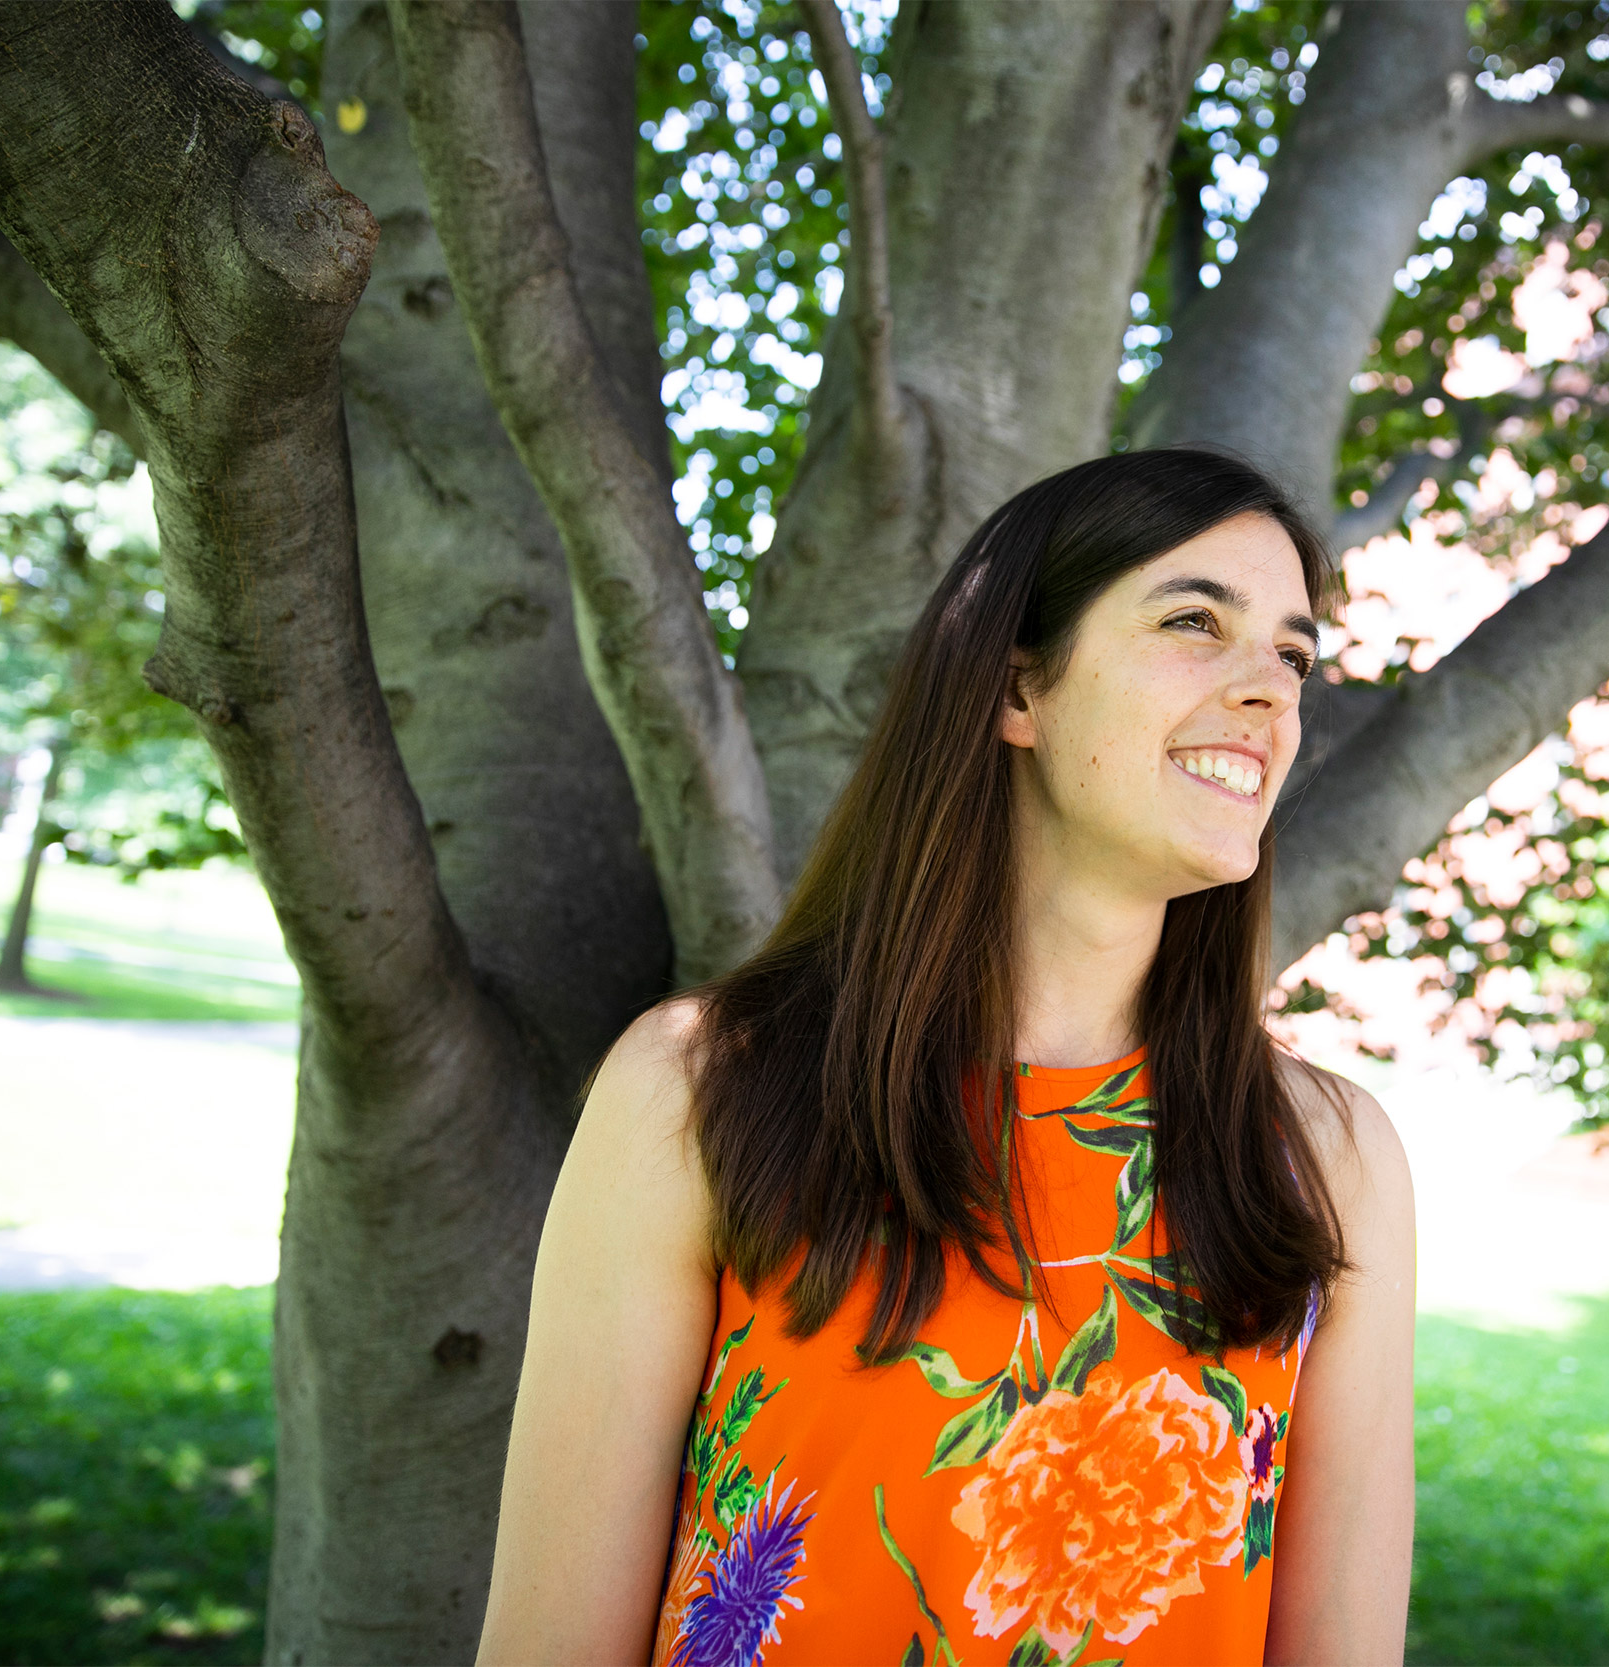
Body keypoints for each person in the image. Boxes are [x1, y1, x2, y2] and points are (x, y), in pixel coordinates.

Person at [478, 448, 1416, 1666]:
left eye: (1292, 655)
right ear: (1014, 687)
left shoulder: (1326, 1158)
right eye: (1197, 622)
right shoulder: (701, 1090)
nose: (1272, 695)